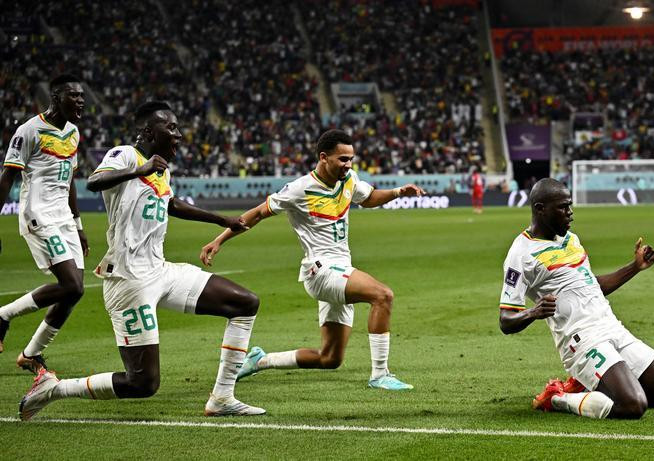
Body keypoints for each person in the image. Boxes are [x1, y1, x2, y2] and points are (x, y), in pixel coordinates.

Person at [19, 101, 264, 420]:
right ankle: (53, 389)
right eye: (171, 128)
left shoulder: (162, 168)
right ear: (149, 131)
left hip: (161, 271)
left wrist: (222, 221)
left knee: (245, 303)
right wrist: (141, 169)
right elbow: (94, 182)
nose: (178, 134)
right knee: (143, 382)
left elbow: (170, 204)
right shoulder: (125, 155)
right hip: (129, 281)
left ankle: (222, 397)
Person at [200, 129, 424, 391]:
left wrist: (398, 191)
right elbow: (259, 213)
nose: (348, 165)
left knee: (330, 358)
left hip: (342, 269)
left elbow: (369, 197)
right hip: (321, 271)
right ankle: (380, 374)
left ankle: (261, 360)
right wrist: (219, 239)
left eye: (351, 159)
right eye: (342, 159)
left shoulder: (349, 179)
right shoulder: (299, 189)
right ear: (323, 157)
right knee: (382, 295)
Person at [498, 178, 654, 419]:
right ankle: (558, 398)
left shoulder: (571, 239)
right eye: (563, 207)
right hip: (583, 341)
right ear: (540, 209)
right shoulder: (520, 254)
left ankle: (591, 384)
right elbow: (506, 319)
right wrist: (533, 312)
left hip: (612, 328)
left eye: (570, 205)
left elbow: (591, 286)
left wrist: (635, 267)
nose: (570, 213)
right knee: (633, 405)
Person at [0, 74, 89, 373]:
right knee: (71, 283)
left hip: (64, 218)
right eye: (73, 95)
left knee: (75, 291)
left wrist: (78, 224)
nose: (80, 101)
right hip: (39, 215)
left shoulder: (74, 133)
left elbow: (70, 179)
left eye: (81, 96)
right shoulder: (29, 130)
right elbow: (8, 176)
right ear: (56, 97)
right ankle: (3, 315)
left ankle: (31, 353)